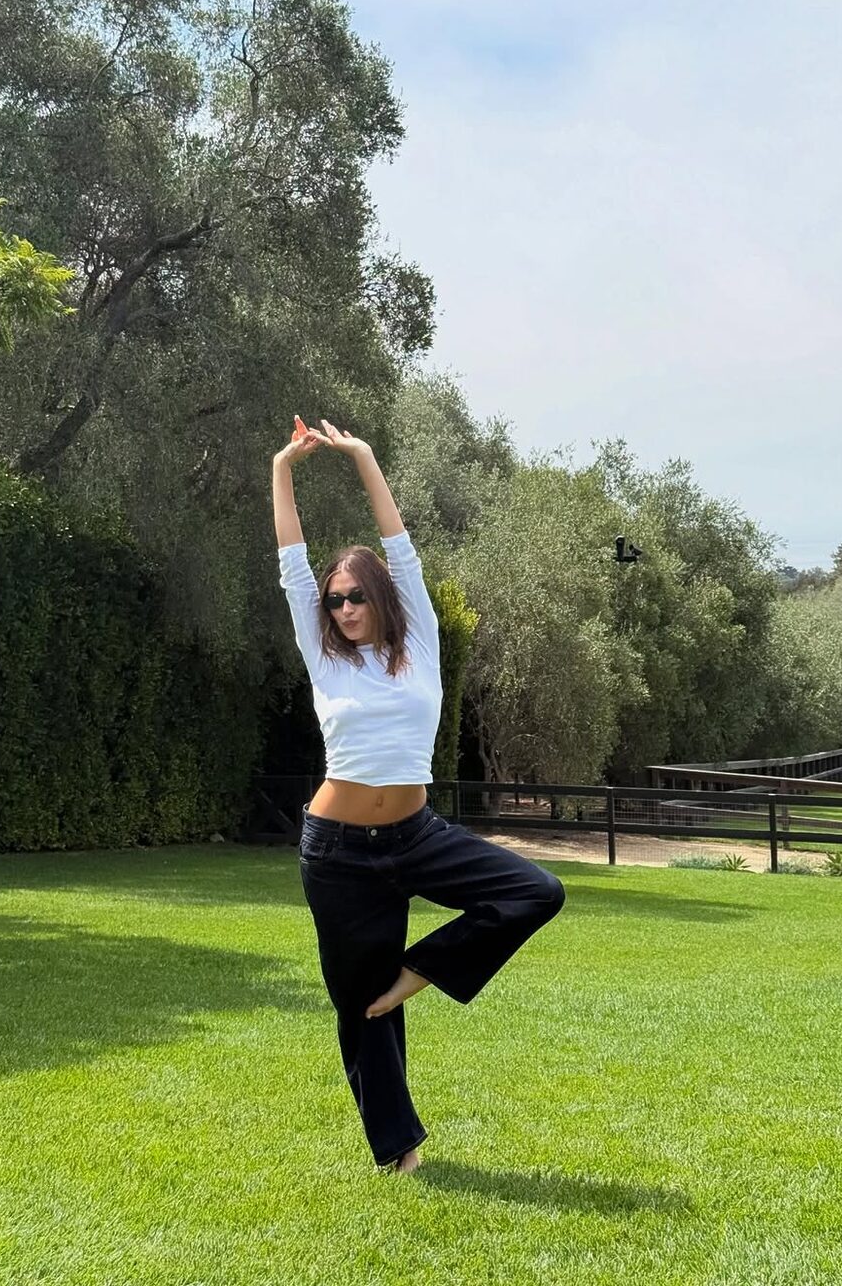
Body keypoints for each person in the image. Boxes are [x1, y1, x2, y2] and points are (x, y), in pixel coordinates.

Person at [273, 414, 566, 1174]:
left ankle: (422, 971)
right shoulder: (326, 659)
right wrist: (283, 467)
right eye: (333, 601)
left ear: (380, 595)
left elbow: (401, 547)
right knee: (362, 1003)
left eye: (353, 597)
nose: (342, 609)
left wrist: (363, 457)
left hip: (415, 836)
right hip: (337, 853)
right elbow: (291, 565)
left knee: (535, 892)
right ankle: (398, 1150)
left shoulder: (421, 642)